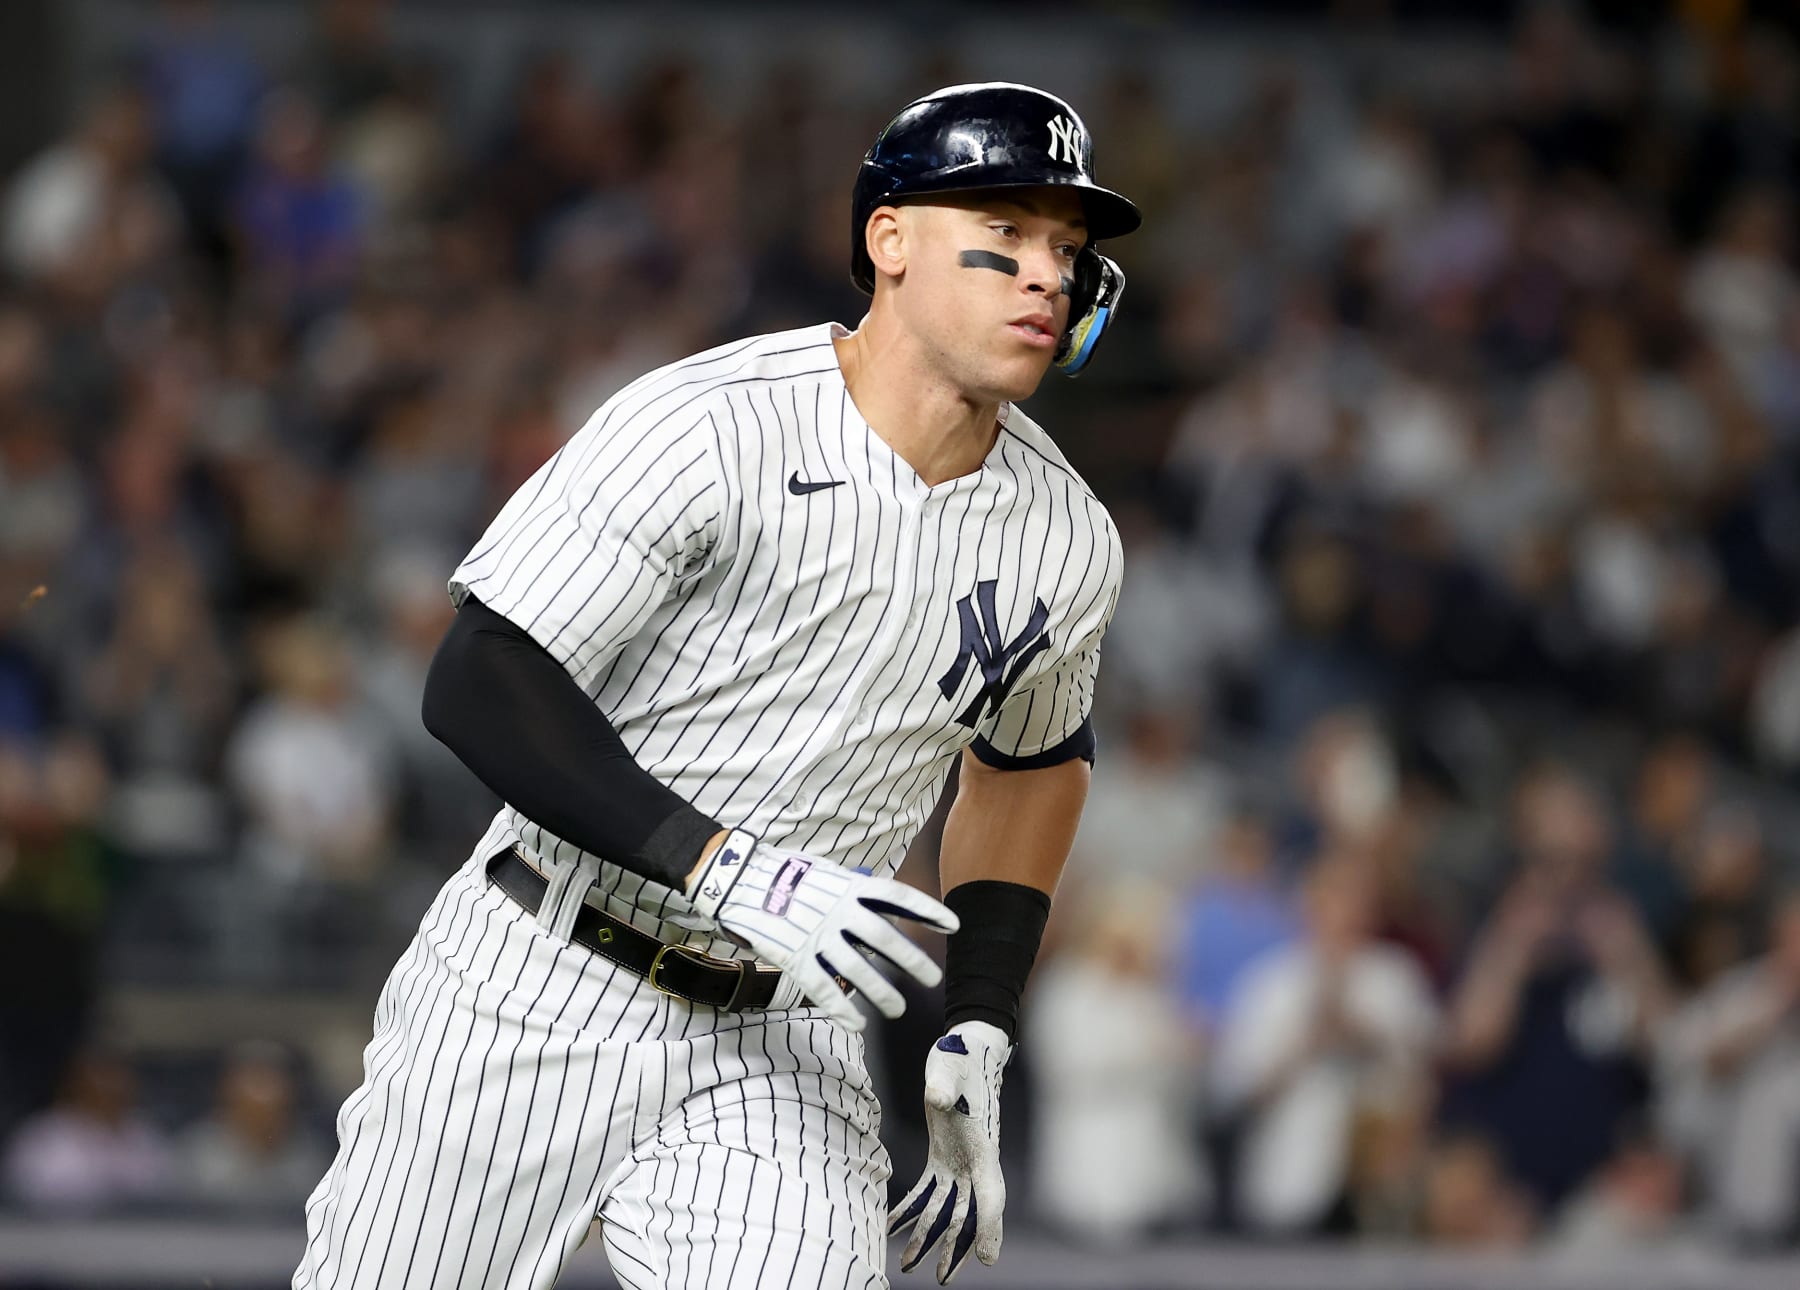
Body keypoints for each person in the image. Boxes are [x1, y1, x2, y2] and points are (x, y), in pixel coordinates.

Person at [294, 82, 1140, 1290]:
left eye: (1067, 248)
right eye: (1001, 234)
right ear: (887, 240)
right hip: (542, 970)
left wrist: (985, 1006)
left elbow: (1033, 764)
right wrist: (718, 862)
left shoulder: (1068, 536)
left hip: (782, 1033)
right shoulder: (709, 425)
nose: (1045, 275)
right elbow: (482, 676)